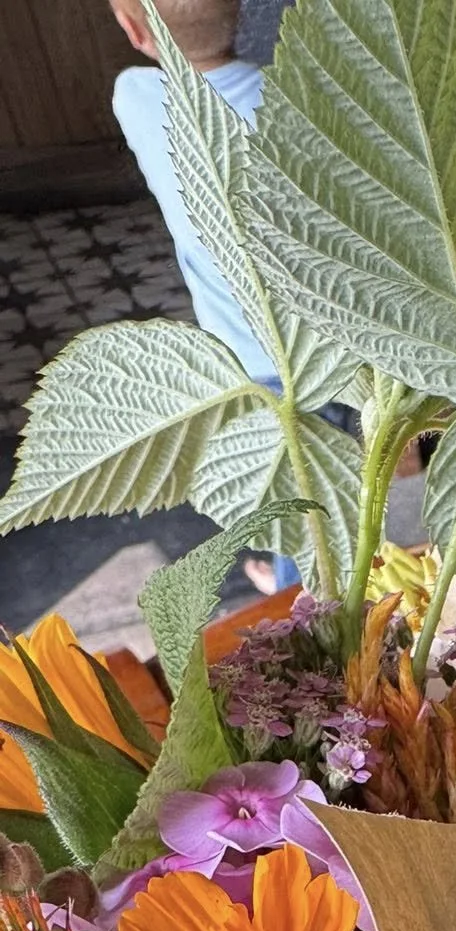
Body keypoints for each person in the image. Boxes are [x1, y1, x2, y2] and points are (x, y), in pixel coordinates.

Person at [109, 0, 294, 591]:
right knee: (327, 470)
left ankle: (292, 580)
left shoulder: (135, 99)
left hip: (243, 353)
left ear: (134, 31)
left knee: (285, 483)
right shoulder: (294, 104)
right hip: (328, 339)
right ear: (241, 12)